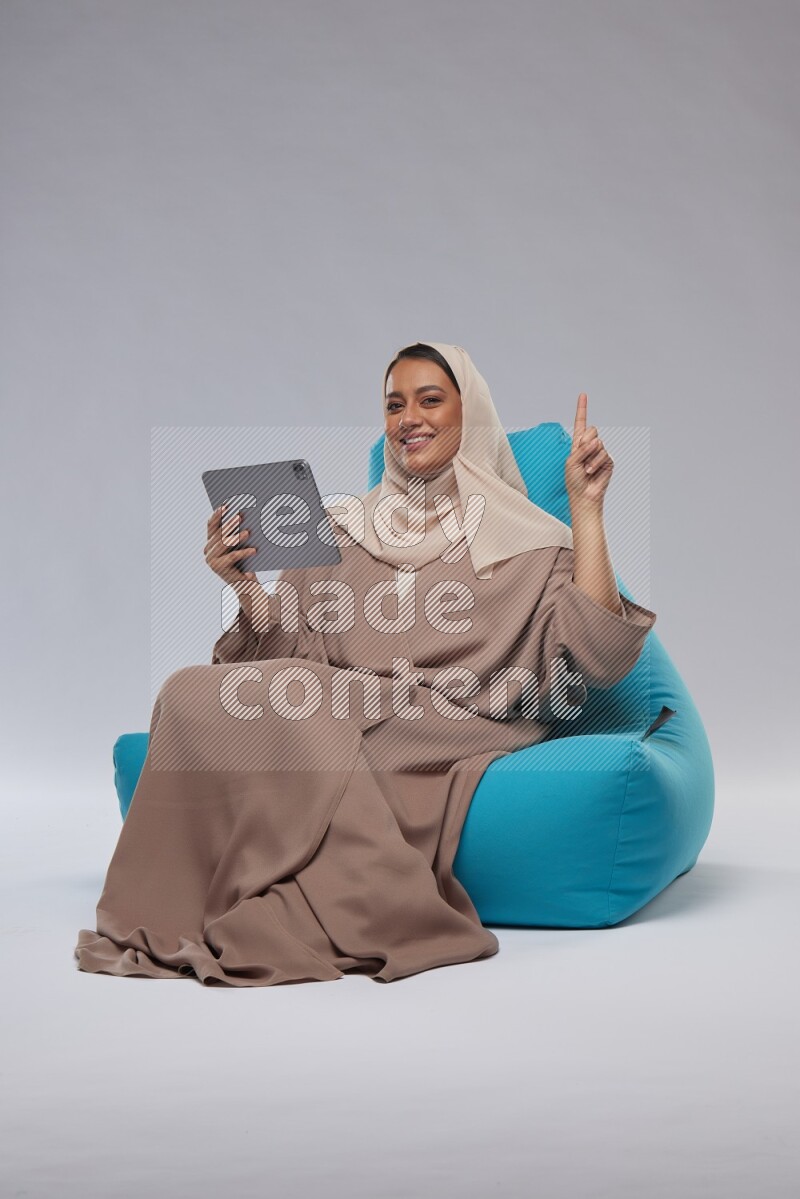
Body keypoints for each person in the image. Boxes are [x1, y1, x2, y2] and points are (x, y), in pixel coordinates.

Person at [74, 341, 656, 986]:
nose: (409, 418)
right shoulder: (343, 530)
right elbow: (288, 655)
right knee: (188, 689)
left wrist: (587, 509)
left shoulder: (530, 541)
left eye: (430, 400)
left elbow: (600, 657)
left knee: (296, 698)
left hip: (449, 721)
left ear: (470, 414)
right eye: (394, 405)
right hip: (331, 709)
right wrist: (244, 587)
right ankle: (166, 899)